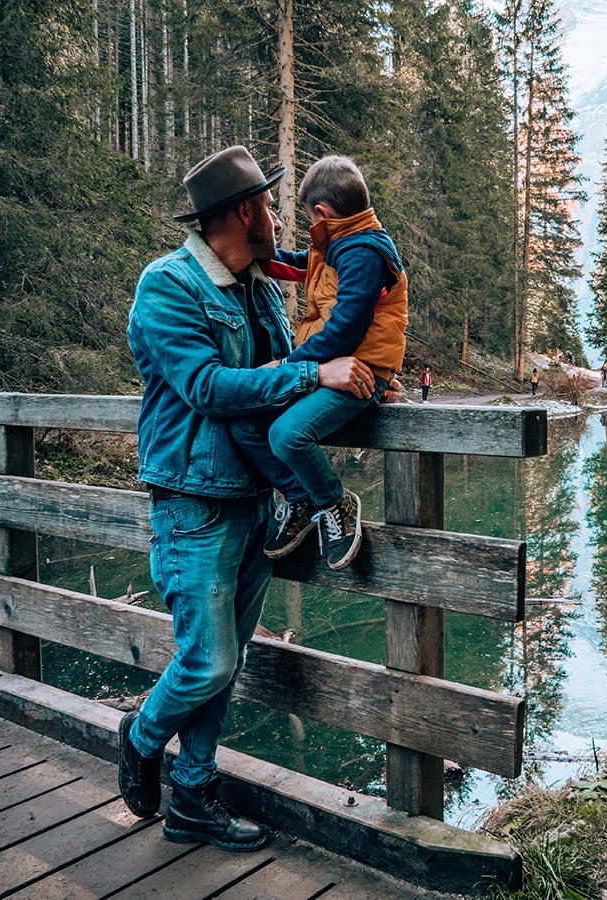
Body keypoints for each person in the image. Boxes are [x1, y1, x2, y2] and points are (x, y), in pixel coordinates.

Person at [119, 146, 381, 853]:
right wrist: (313, 375)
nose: (275, 216)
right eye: (266, 205)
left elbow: (289, 362)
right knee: (205, 662)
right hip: (192, 502)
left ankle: (194, 799)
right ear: (242, 212)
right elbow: (207, 388)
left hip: (256, 501)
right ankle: (141, 736)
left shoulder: (262, 286)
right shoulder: (167, 286)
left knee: (226, 664)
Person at [227, 155, 408, 568]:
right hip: (330, 370)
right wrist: (257, 257)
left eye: (310, 216)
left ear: (323, 212)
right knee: (247, 423)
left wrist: (289, 365)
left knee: (287, 435)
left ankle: (334, 502)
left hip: (361, 374)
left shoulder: (363, 253)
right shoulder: (341, 247)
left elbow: (345, 329)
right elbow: (302, 267)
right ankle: (302, 499)